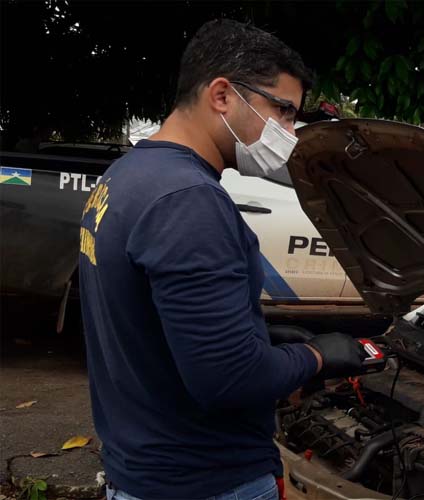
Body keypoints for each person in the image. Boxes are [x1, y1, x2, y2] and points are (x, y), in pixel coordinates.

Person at [79, 19, 365, 500]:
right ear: (222, 95)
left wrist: (260, 340)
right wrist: (316, 356)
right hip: (205, 480)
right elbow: (231, 380)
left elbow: (152, 324)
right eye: (283, 111)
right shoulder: (188, 201)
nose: (289, 132)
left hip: (141, 468)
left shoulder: (126, 176)